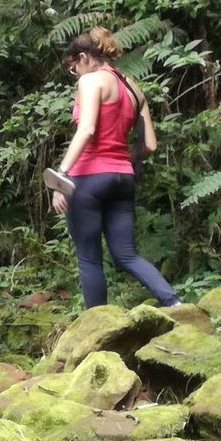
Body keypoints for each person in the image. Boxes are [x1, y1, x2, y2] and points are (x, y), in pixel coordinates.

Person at [51, 28, 181, 310]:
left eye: (74, 68)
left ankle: (98, 330)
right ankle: (174, 303)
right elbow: (149, 145)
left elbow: (86, 129)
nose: (76, 74)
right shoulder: (134, 88)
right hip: (123, 177)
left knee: (89, 258)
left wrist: (60, 176)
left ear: (84, 57)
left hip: (88, 179)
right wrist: (121, 155)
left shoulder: (91, 81)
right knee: (126, 254)